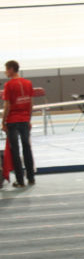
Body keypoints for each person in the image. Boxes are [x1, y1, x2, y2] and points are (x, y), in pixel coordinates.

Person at [2, 60, 35, 188]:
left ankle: (20, 181)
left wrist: (3, 121)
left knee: (15, 150)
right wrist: (29, 119)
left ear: (11, 69)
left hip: (12, 121)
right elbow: (31, 104)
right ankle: (31, 178)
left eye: (6, 69)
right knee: (27, 147)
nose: (5, 72)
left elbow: (7, 105)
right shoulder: (28, 83)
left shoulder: (9, 85)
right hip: (25, 119)